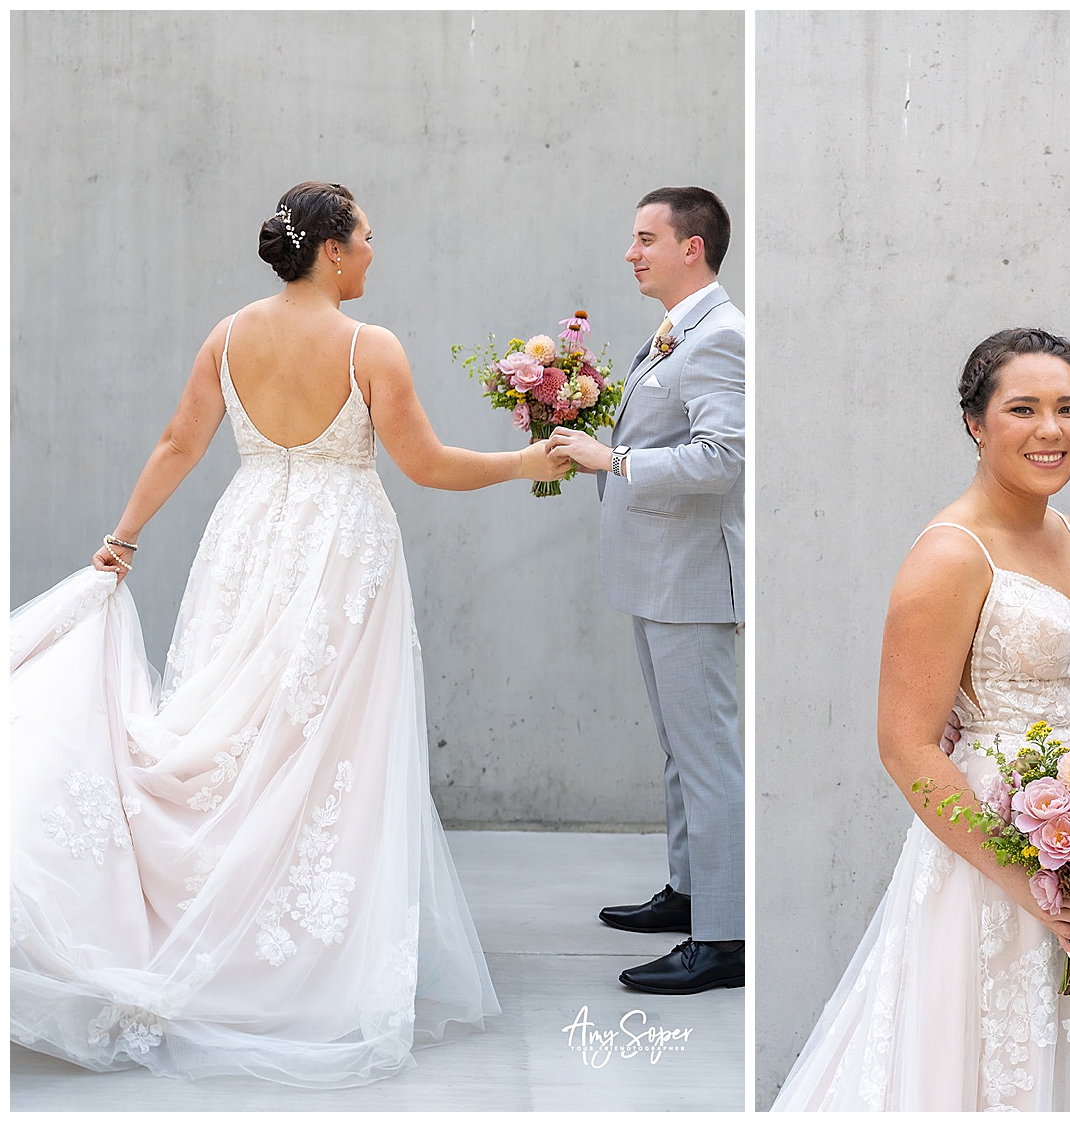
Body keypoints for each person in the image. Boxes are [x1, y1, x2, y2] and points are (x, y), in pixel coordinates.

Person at [10, 181, 569, 1085]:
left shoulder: (229, 334)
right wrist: (525, 462)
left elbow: (176, 443)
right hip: (341, 554)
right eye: (369, 238)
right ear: (334, 250)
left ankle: (210, 925)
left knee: (228, 733)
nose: (376, 252)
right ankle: (286, 956)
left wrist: (124, 537)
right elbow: (424, 465)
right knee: (323, 748)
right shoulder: (368, 345)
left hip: (246, 539)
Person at [771, 329, 1070, 1111]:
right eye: (1023, 408)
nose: (1052, 430)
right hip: (995, 857)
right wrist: (1031, 883)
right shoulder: (948, 555)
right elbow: (906, 745)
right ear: (976, 423)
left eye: (1069, 408)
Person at [549, 187, 745, 995]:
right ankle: (693, 891)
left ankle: (726, 938)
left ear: (691, 247)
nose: (632, 252)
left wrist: (613, 459)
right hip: (658, 573)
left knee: (708, 759)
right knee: (680, 751)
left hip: (692, 578)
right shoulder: (681, 330)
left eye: (645, 238)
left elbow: (723, 458)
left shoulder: (720, 337)